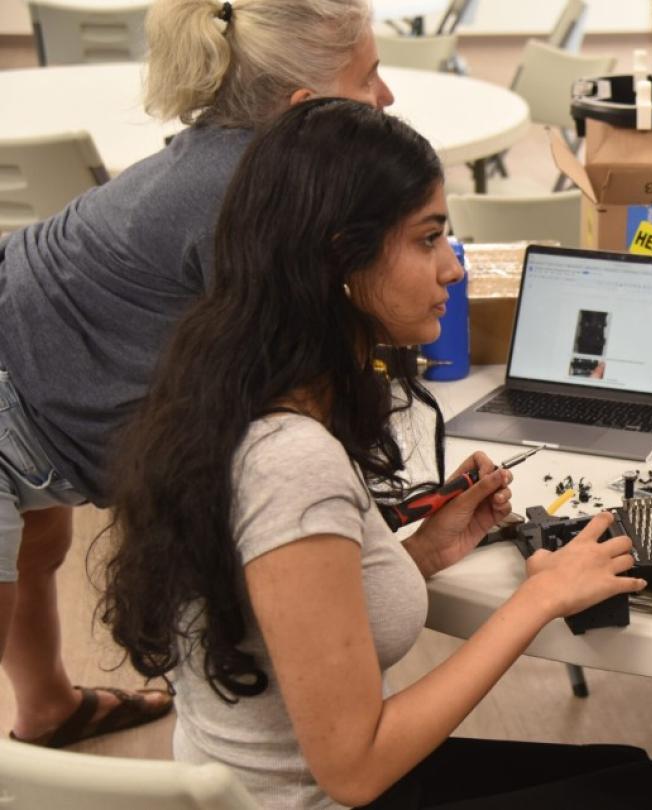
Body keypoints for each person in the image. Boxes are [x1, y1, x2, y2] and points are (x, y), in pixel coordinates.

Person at [100, 97, 652, 810]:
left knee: (629, 764)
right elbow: (355, 769)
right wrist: (539, 597)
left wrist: (421, 551)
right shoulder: (290, 463)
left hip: (264, 778)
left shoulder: (231, 382)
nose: (452, 271)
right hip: (315, 797)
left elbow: (292, 614)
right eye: (428, 240)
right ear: (341, 257)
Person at [0, 0, 391, 747]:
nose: (386, 99)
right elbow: (285, 388)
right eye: (369, 79)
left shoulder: (236, 153)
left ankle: (48, 707)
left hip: (26, 342)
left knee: (37, 547)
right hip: (12, 382)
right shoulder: (244, 201)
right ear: (306, 109)